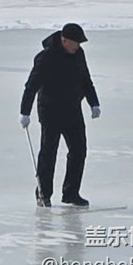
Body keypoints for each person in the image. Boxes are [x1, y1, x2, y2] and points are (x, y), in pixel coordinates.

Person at [19, 23, 101, 207]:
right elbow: (31, 86)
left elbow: (86, 80)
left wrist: (94, 103)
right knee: (48, 153)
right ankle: (44, 194)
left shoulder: (78, 54)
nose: (78, 46)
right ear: (64, 40)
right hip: (50, 112)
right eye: (76, 42)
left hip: (73, 110)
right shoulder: (46, 58)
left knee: (79, 151)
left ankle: (71, 193)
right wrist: (25, 112)